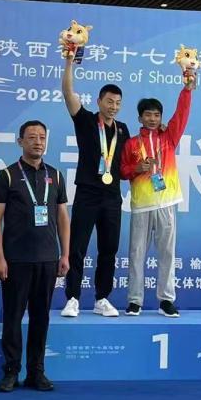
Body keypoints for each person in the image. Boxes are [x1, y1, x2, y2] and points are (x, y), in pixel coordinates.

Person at [0, 121, 70, 392]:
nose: (38, 142)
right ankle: (11, 371)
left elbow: (62, 217)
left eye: (42, 137)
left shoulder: (55, 175)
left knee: (41, 318)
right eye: (32, 137)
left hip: (48, 259)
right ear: (20, 141)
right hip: (16, 260)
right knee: (13, 317)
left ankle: (36, 372)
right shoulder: (7, 176)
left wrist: (65, 254)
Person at [59, 55, 130, 318]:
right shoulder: (86, 120)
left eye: (118, 103)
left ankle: (102, 298)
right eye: (109, 101)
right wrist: (69, 62)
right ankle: (73, 298)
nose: (113, 107)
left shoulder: (123, 129)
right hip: (87, 194)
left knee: (109, 249)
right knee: (77, 247)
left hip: (112, 197)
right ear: (99, 101)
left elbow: (126, 162)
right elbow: (68, 93)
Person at [119, 84, 194, 317]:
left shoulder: (169, 137)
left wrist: (187, 90)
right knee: (136, 254)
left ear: (161, 117)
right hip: (141, 205)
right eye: (148, 115)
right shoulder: (131, 143)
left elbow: (181, 114)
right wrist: (136, 168)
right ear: (140, 118)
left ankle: (166, 300)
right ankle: (135, 301)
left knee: (167, 254)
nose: (152, 119)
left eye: (156, 115)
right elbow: (122, 171)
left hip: (166, 203)